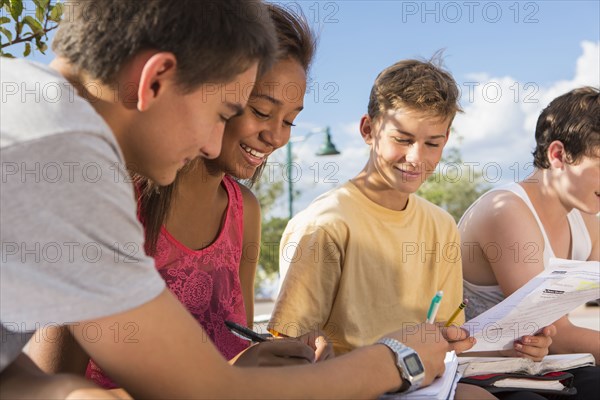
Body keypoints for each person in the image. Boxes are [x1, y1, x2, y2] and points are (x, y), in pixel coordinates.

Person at [1, 1, 473, 399]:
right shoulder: (68, 158)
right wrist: (396, 358)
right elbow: (209, 392)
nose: (211, 143)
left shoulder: (31, 112)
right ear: (156, 79)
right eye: (226, 111)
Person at [267, 57, 554, 399]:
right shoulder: (326, 225)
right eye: (402, 139)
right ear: (368, 130)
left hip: (431, 386)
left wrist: (513, 348)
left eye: (432, 143)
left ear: (446, 140)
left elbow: (449, 341)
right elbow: (287, 352)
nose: (417, 158)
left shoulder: (441, 225)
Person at [82, 4, 331, 389]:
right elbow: (51, 381)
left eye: (290, 121)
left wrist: (281, 355)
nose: (278, 137)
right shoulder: (112, 202)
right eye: (262, 111)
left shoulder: (243, 211)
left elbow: (239, 341)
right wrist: (227, 377)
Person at [459, 87, 600, 398]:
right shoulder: (507, 211)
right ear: (558, 156)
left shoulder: (586, 217)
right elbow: (560, 335)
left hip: (537, 365)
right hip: (480, 371)